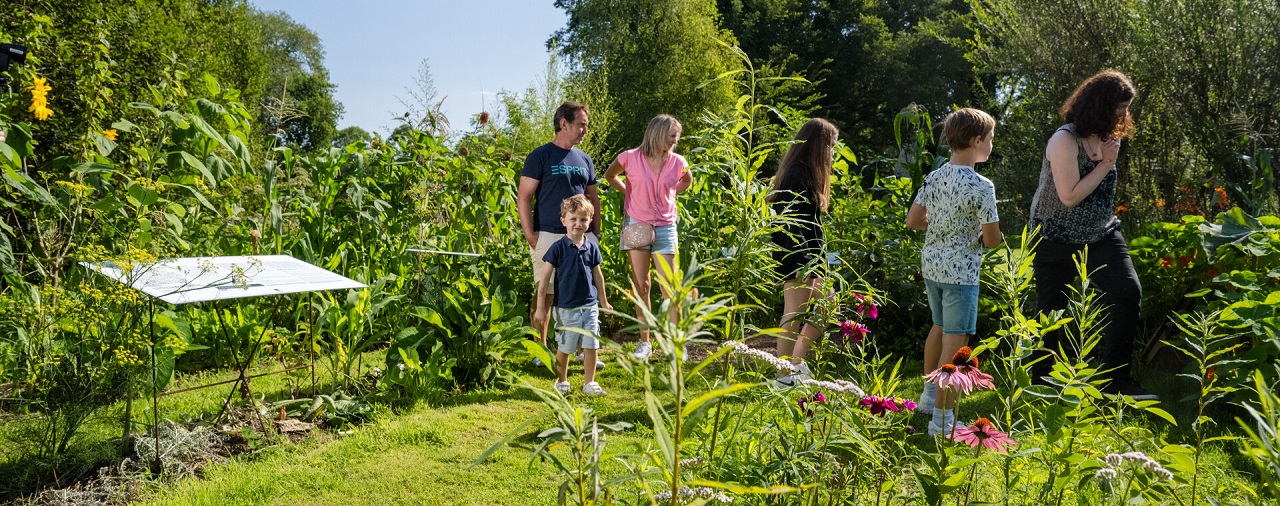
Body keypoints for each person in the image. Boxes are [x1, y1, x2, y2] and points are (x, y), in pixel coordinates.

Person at [1027, 70, 1154, 400]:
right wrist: (1104, 165)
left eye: (1127, 108)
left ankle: (1117, 382)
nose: (1124, 115)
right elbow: (1068, 195)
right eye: (1120, 107)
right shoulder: (1064, 140)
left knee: (1127, 293)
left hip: (1101, 233)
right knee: (1054, 311)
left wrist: (1106, 161)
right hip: (1055, 234)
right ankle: (1043, 383)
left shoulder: (1109, 137)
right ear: (1100, 105)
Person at [905, 108, 1003, 436]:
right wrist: (980, 234)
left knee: (938, 326)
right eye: (990, 139)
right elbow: (991, 240)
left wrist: (943, 224)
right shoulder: (982, 185)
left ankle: (929, 398)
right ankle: (943, 421)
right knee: (956, 342)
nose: (991, 144)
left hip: (932, 266)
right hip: (960, 274)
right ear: (976, 141)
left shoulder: (935, 176)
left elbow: (914, 221)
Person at [519, 101, 604, 370]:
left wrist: (596, 233)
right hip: (548, 235)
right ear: (563, 123)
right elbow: (524, 196)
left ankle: (581, 349)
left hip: (582, 237)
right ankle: (541, 351)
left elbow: (593, 198)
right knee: (545, 294)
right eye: (581, 124)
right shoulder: (540, 155)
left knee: (582, 293)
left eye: (586, 126)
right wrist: (530, 235)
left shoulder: (584, 159)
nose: (584, 130)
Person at [603, 115, 692, 361]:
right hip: (636, 224)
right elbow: (610, 176)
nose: (676, 141)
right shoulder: (629, 157)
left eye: (677, 136)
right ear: (657, 134)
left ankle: (677, 343)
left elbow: (686, 180)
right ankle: (645, 343)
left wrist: (671, 193)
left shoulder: (678, 161)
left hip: (665, 226)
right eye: (672, 136)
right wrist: (627, 190)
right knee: (642, 286)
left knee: (670, 288)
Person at [769, 118, 839, 386]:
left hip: (811, 258)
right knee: (794, 313)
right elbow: (790, 223)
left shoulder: (807, 173)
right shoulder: (796, 174)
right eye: (831, 146)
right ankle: (783, 374)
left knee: (828, 304)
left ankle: (795, 364)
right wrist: (803, 263)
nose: (832, 153)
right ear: (819, 146)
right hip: (796, 256)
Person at [534, 195, 612, 396]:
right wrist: (541, 307)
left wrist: (603, 300)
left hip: (590, 306)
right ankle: (562, 382)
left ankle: (590, 383)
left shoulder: (591, 246)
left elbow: (598, 275)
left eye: (584, 220)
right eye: (573, 219)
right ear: (564, 221)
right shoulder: (558, 248)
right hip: (566, 307)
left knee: (591, 345)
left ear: (590, 221)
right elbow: (544, 280)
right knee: (566, 346)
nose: (578, 224)